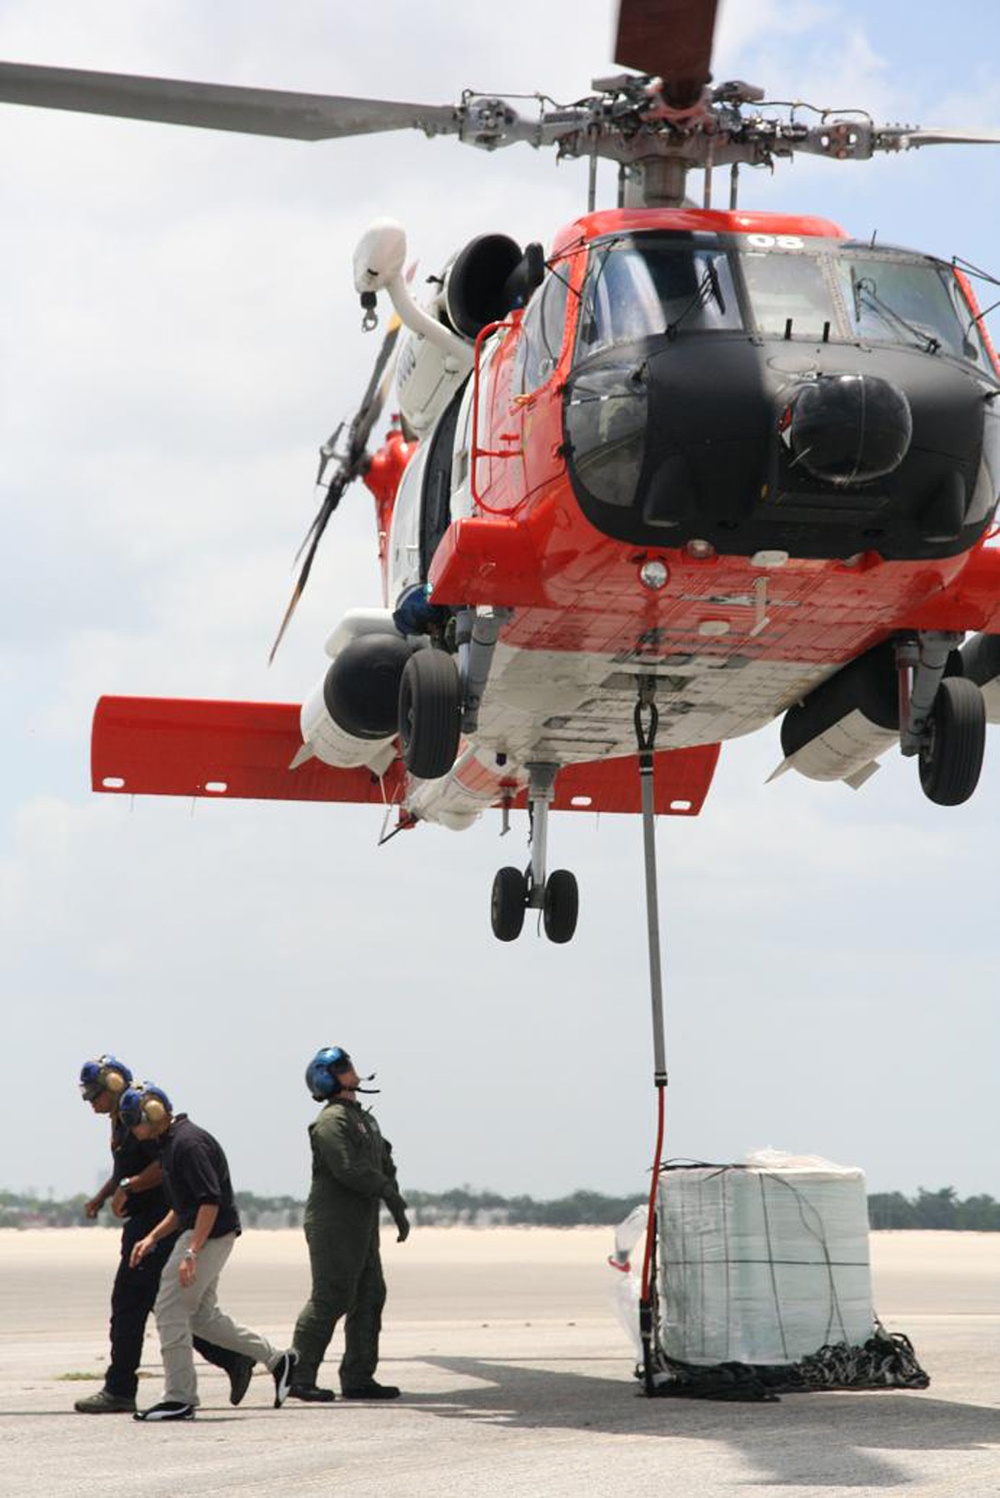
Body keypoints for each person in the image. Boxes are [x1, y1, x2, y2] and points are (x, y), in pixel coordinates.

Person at [74, 1054, 254, 1415]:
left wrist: (131, 1186)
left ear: (112, 1086)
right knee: (164, 1305)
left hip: (157, 1220)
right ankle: (233, 1359)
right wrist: (104, 1194)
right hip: (151, 1224)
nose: (90, 1101)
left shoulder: (141, 1118)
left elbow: (160, 1166)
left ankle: (122, 1388)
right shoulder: (124, 1120)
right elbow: (126, 1169)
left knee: (130, 1304)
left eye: (94, 1094)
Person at [122, 1081, 297, 1422]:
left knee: (168, 1306)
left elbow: (208, 1202)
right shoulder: (170, 1144)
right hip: (205, 1233)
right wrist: (153, 1237)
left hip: (209, 1235)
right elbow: (183, 1207)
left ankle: (179, 1397)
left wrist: (191, 1252)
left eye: (133, 1121)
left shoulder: (188, 1144)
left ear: (154, 1114)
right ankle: (278, 1359)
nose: (131, 1129)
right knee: (201, 1316)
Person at [289, 1045, 410, 1402]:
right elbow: (347, 1168)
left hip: (361, 1224)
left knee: (371, 1295)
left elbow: (383, 1164)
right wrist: (388, 1193)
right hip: (333, 1223)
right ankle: (299, 1376)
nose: (351, 1069)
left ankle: (358, 1376)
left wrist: (395, 1203)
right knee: (331, 1296)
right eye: (343, 1066)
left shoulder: (363, 1119)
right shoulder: (331, 1121)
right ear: (328, 1077)